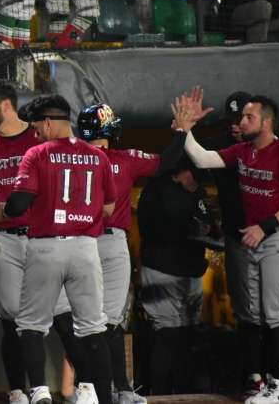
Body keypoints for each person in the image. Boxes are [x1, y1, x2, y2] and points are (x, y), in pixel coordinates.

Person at [173, 90, 279, 404]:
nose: (242, 121)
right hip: (254, 240)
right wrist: (185, 130)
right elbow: (204, 158)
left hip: (278, 240)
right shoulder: (244, 150)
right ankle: (267, 384)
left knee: (277, 315)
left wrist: (265, 227)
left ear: (267, 122)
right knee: (257, 315)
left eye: (249, 117)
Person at [0, 94, 117, 404]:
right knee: (92, 327)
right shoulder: (98, 156)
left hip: (46, 247)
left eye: (36, 127)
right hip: (86, 248)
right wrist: (80, 215)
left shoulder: (37, 154)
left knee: (31, 325)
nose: (34, 134)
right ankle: (96, 393)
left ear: (48, 122)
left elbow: (20, 203)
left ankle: (39, 392)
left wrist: (0, 212)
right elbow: (109, 207)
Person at [67, 102, 185, 403]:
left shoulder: (68, 160)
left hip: (75, 243)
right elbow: (167, 161)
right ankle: (111, 388)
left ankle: (97, 388)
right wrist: (182, 131)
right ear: (108, 129)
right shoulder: (124, 159)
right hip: (110, 244)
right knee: (108, 323)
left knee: (85, 321)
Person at [0, 80, 40, 404]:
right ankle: (18, 391)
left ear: (6, 105)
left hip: (42, 237)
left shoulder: (36, 137)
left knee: (58, 317)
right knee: (12, 318)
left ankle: (79, 389)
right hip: (3, 238)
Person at [137, 156, 214, 395]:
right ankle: (159, 394)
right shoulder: (157, 190)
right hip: (162, 271)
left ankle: (184, 392)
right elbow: (154, 229)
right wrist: (188, 229)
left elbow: (208, 223)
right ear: (184, 171)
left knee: (187, 336)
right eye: (194, 176)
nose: (197, 183)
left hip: (190, 271)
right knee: (166, 334)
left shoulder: (197, 192)